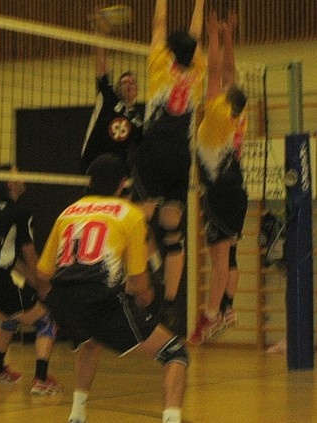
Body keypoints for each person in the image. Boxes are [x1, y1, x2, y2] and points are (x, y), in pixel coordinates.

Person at [37, 154, 189, 423]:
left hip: (61, 301)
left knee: (90, 341)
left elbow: (43, 273)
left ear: (90, 182)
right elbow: (139, 283)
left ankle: (77, 416)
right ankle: (172, 420)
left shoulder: (67, 213)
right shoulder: (129, 214)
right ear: (122, 185)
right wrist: (148, 297)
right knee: (175, 353)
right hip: (98, 298)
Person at [131, 0, 206, 329]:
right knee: (173, 231)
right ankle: (171, 303)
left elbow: (158, 24)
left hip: (153, 150)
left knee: (139, 220)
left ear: (170, 51)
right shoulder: (198, 71)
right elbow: (195, 35)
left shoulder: (160, 64)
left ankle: (148, 271)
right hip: (180, 156)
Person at [0, 164, 63, 396]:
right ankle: (41, 379)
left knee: (12, 314)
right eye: (19, 173)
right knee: (47, 320)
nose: (23, 176)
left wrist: (32, 280)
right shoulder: (19, 212)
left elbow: (9, 258)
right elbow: (29, 254)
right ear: (10, 183)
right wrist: (42, 285)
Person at [188, 12, 248, 345]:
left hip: (219, 191)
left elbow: (214, 72)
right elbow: (229, 74)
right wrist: (228, 37)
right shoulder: (239, 115)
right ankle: (227, 307)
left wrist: (212, 36)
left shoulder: (215, 114)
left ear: (226, 100)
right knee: (229, 253)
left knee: (219, 257)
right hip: (236, 188)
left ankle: (209, 317)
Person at [80, 10, 144, 174]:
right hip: (93, 165)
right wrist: (100, 32)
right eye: (124, 82)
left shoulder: (139, 120)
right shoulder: (110, 98)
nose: (128, 85)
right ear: (118, 88)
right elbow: (102, 65)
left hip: (118, 173)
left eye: (132, 83)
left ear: (137, 90)